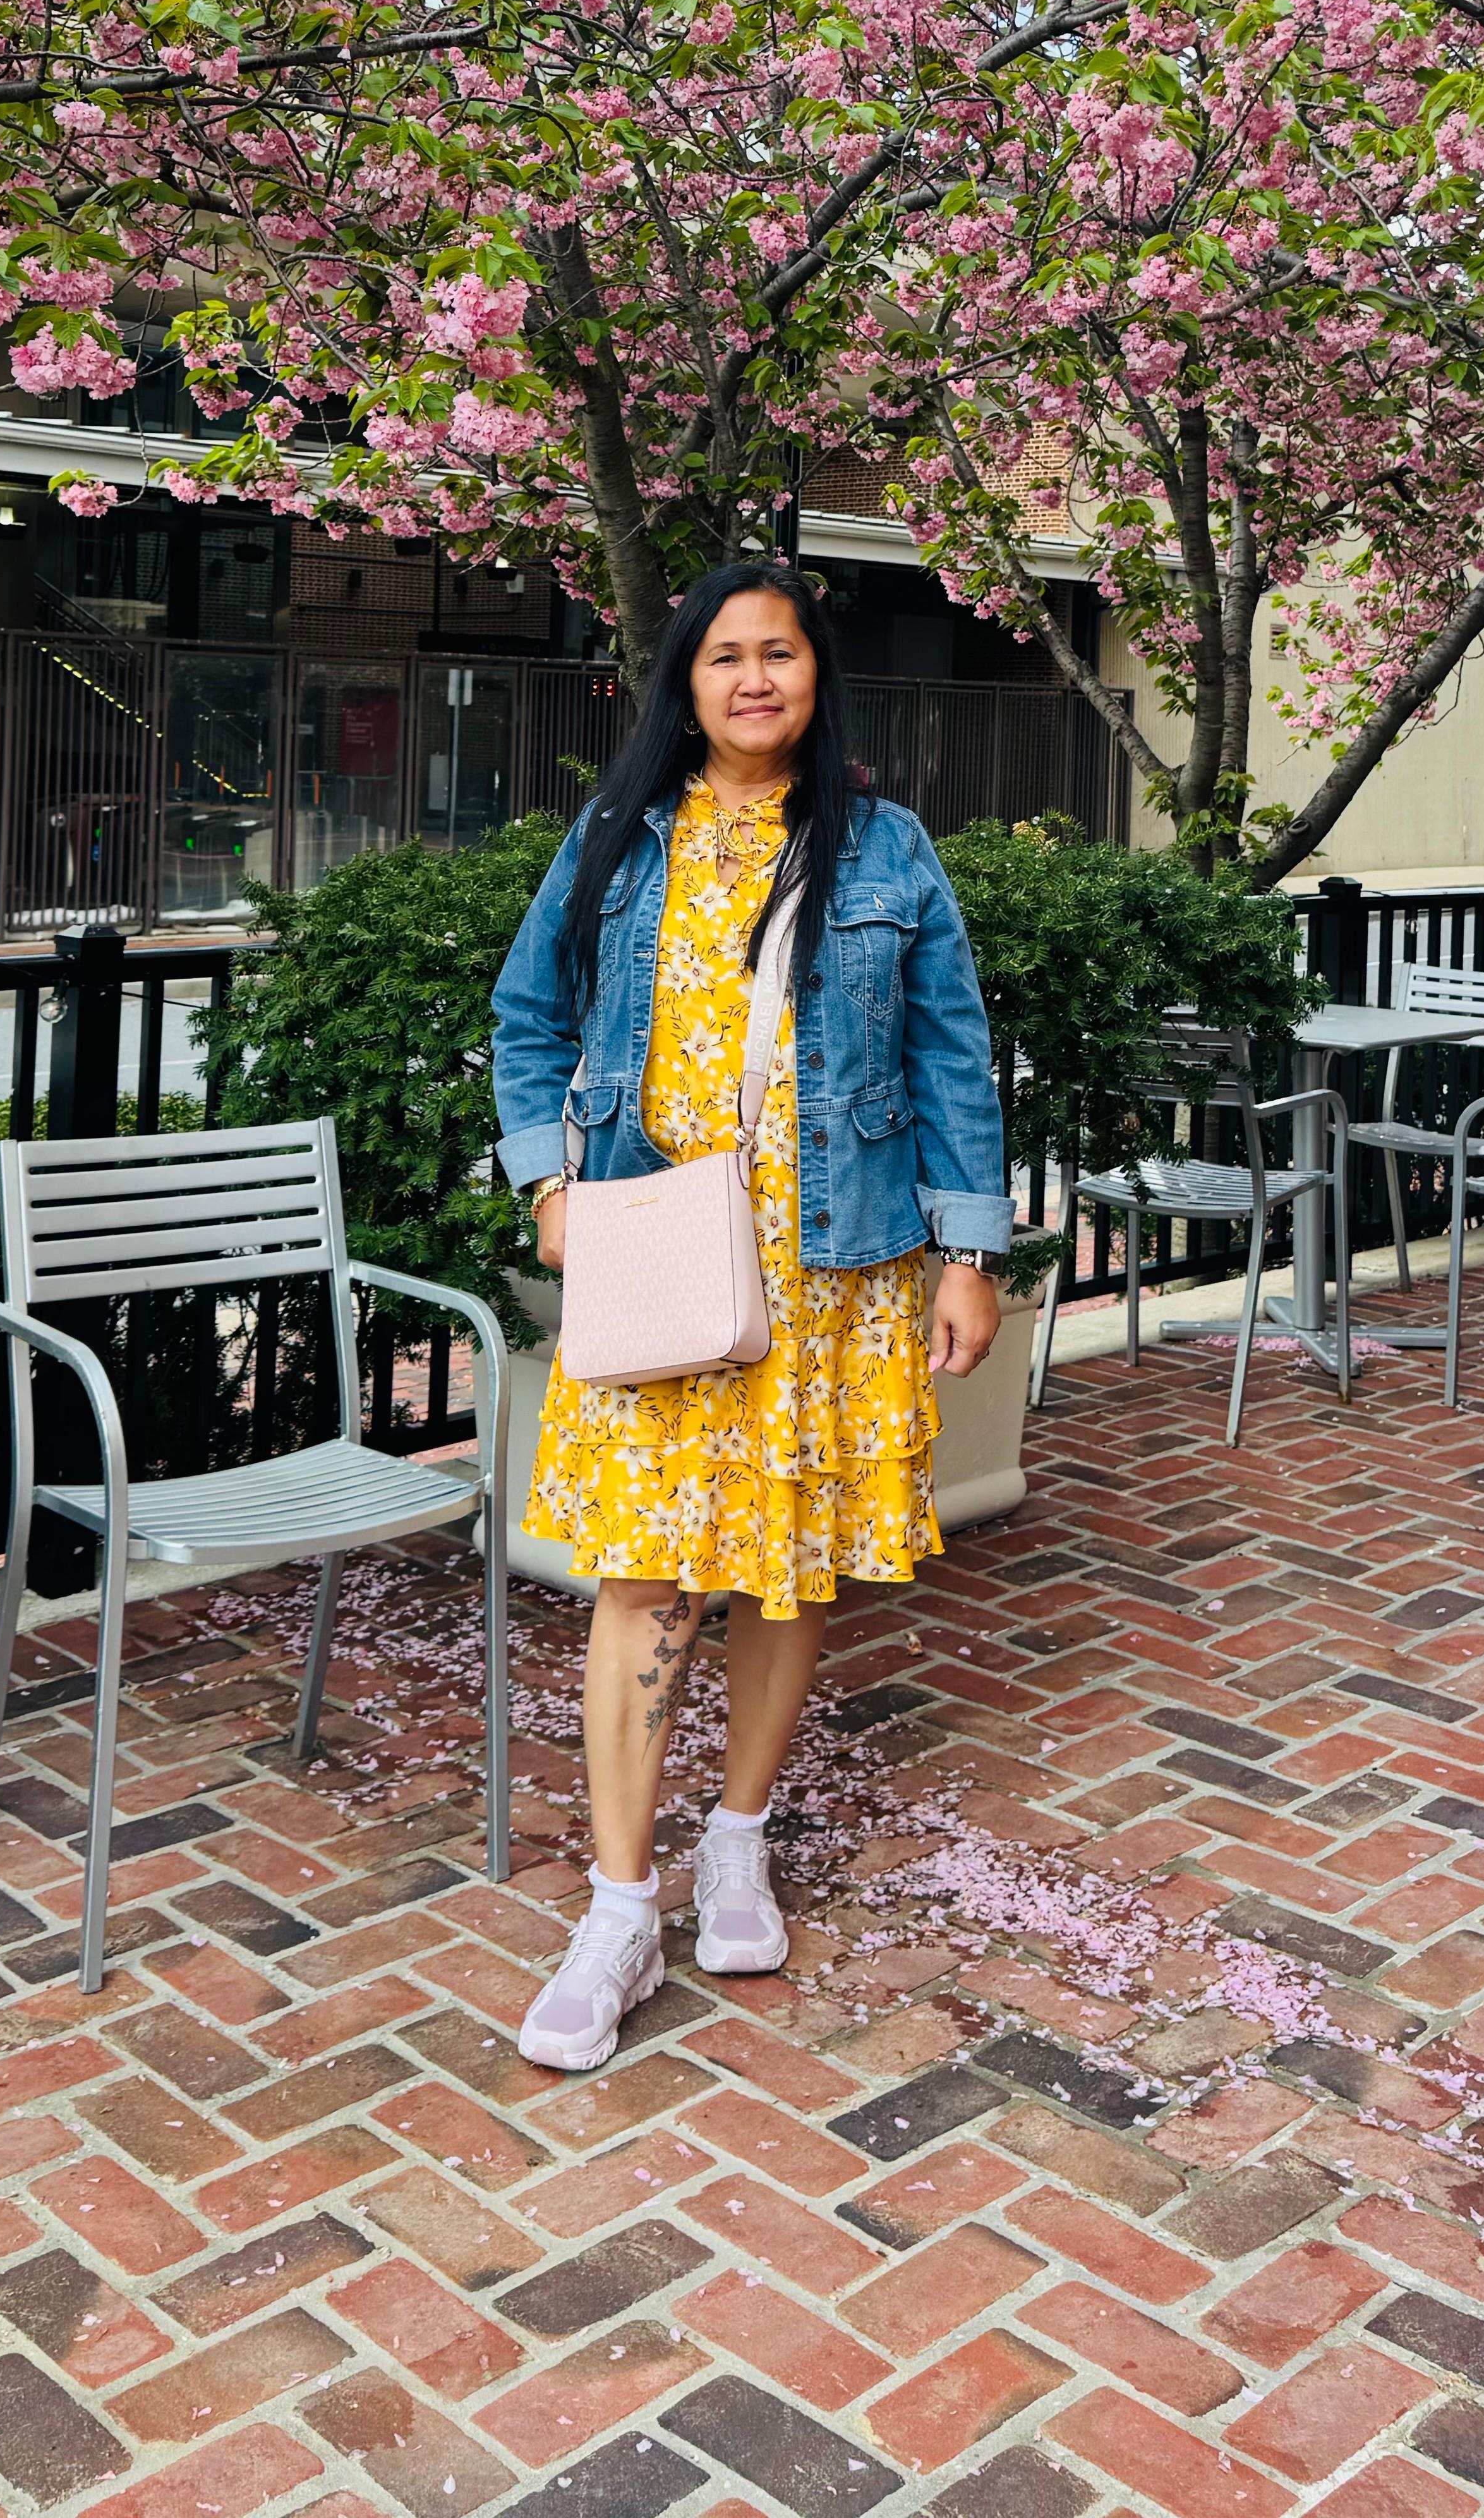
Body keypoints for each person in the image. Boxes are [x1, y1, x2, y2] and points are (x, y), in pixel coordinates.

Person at [489, 558, 1013, 2072]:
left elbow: (954, 1060)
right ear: (687, 683)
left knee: (785, 1572)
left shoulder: (889, 849)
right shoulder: (617, 838)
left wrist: (967, 1250)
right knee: (648, 1577)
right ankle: (617, 1904)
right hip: (663, 1254)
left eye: (778, 654)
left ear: (813, 677)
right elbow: (529, 1017)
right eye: (724, 657)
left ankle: (739, 1838)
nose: (754, 680)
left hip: (838, 1267)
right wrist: (551, 1187)